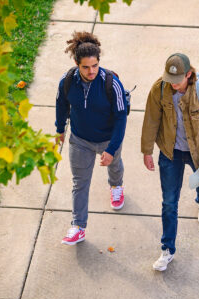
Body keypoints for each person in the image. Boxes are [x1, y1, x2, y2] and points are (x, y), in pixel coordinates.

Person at [141, 53, 199, 271]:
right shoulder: (159, 89)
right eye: (169, 80)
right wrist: (147, 150)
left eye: (177, 81)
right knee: (169, 202)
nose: (172, 85)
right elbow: (151, 119)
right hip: (171, 153)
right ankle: (167, 249)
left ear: (189, 74)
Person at [55, 31, 128, 245]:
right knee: (79, 183)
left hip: (108, 138)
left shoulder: (111, 83)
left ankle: (116, 186)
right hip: (80, 141)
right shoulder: (67, 81)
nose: (91, 71)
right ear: (77, 64)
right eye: (86, 67)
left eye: (95, 65)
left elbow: (121, 118)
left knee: (114, 167)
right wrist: (60, 129)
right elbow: (61, 105)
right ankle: (78, 226)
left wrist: (111, 149)